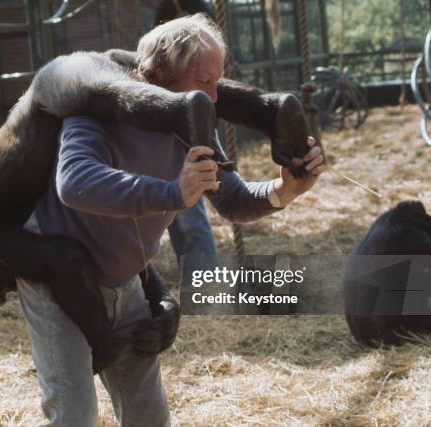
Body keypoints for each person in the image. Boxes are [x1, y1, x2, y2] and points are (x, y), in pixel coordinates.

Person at [17, 13, 326, 427]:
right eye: (204, 82)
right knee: (75, 415)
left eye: (218, 82)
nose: (215, 98)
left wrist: (285, 190)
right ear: (159, 72)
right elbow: (75, 183)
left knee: (149, 418)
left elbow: (232, 199)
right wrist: (172, 193)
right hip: (56, 279)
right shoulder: (98, 104)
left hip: (125, 281)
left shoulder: (194, 119)